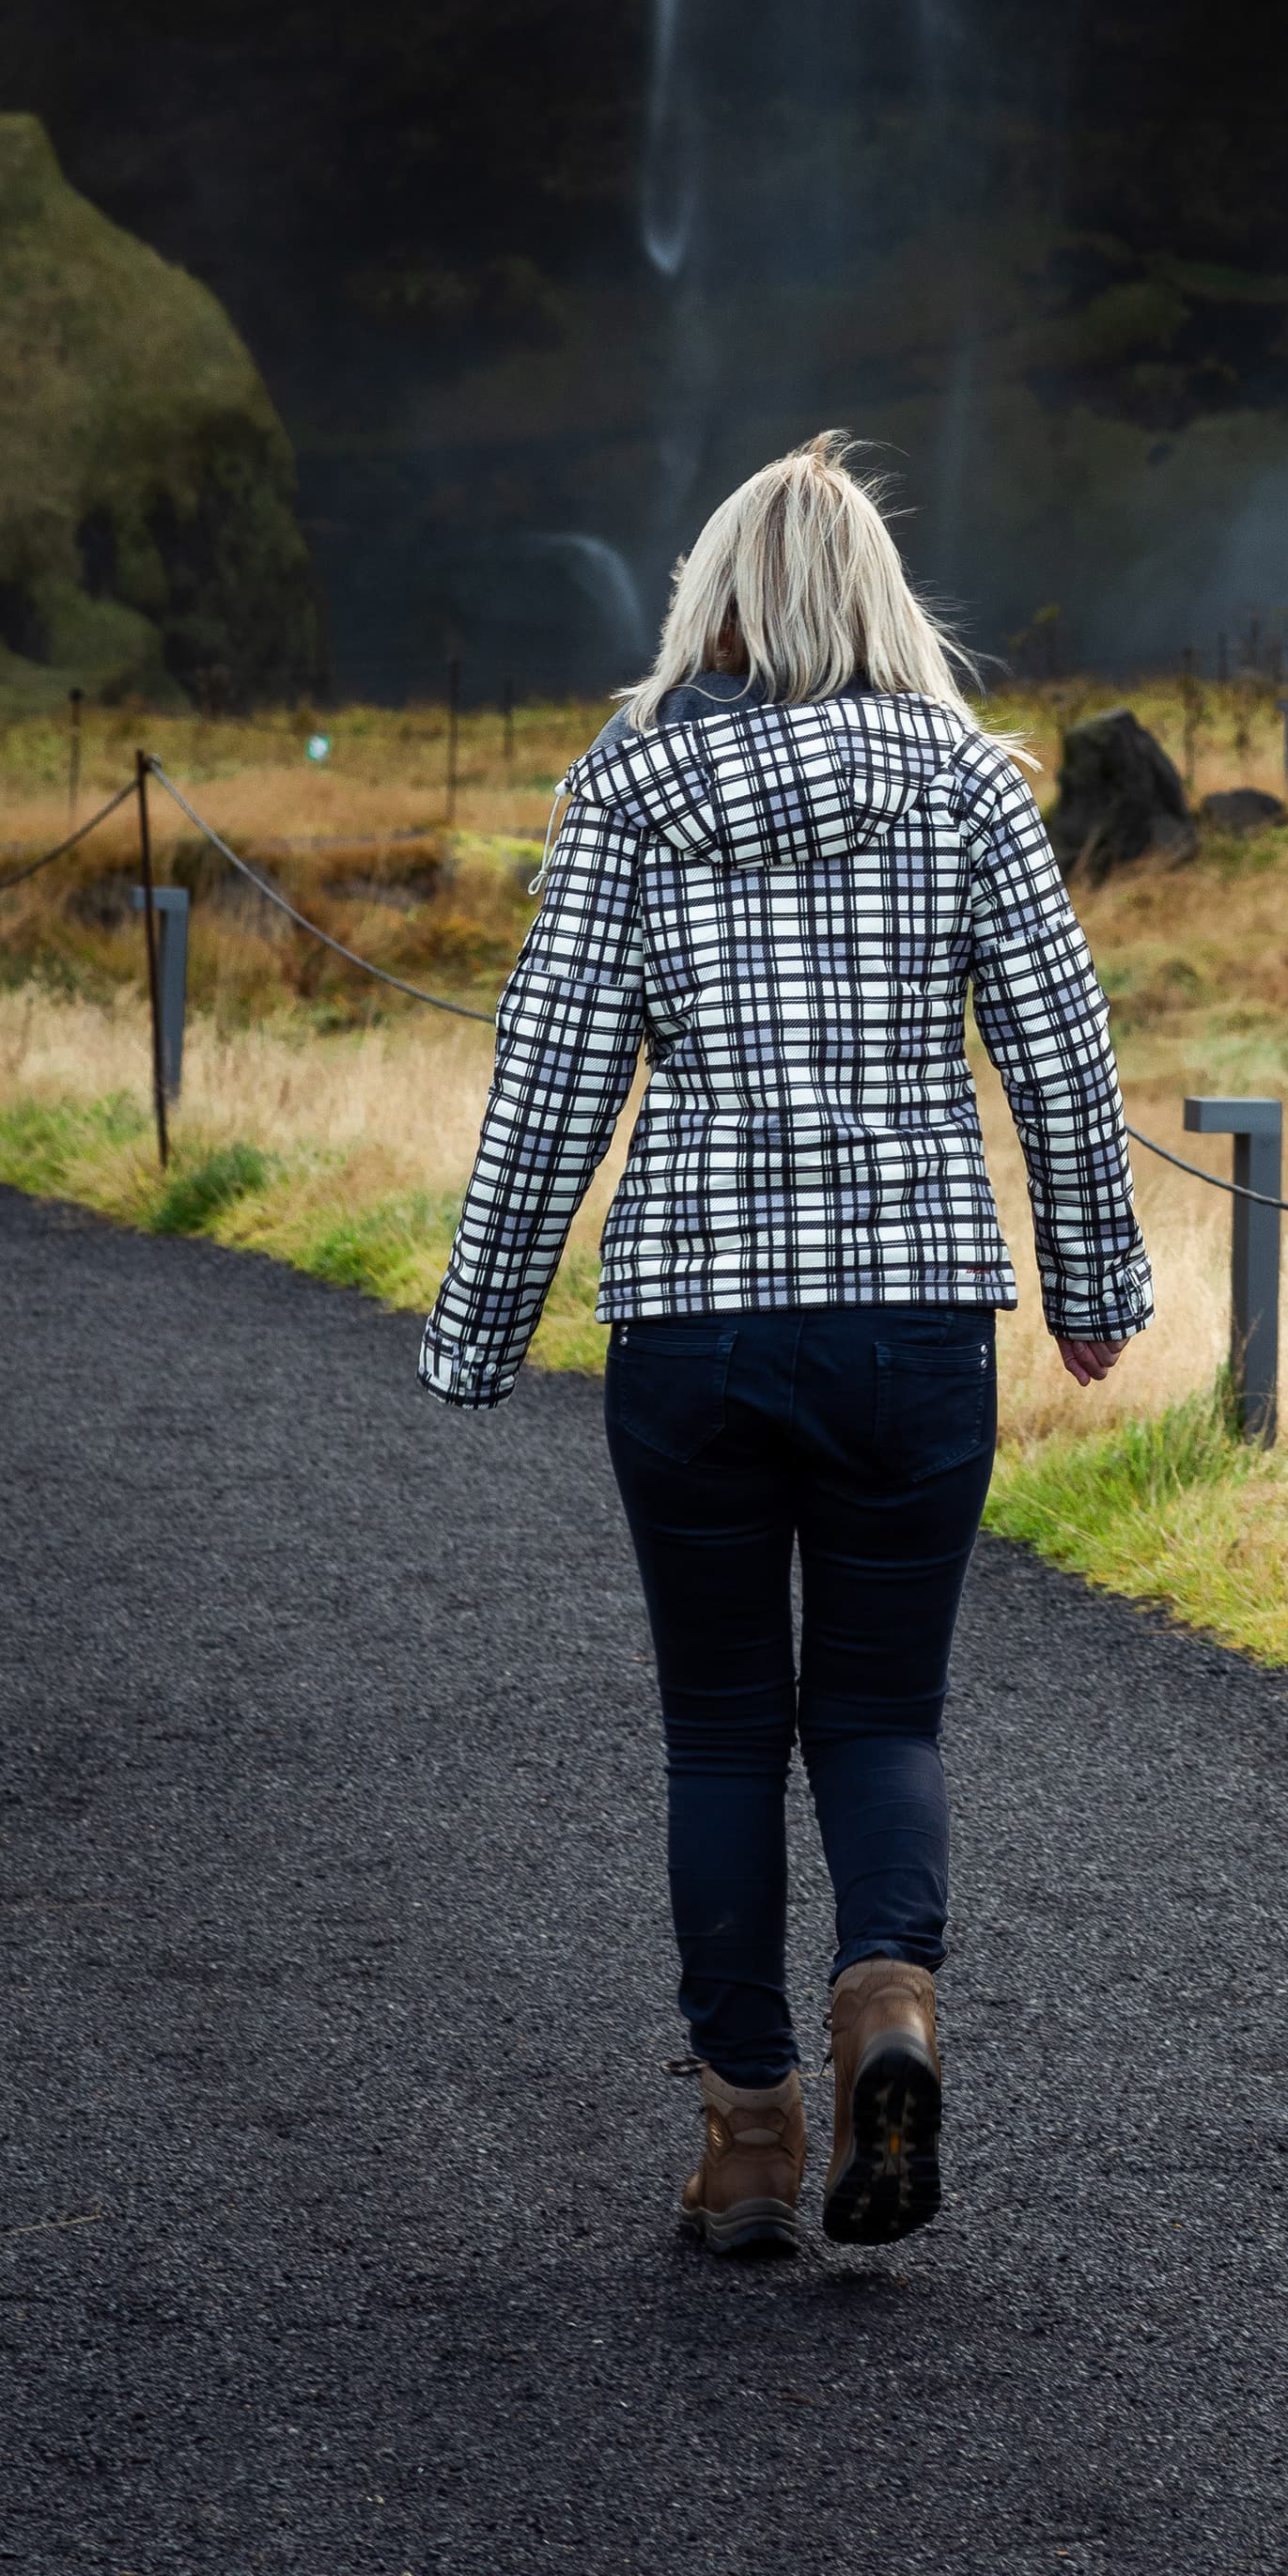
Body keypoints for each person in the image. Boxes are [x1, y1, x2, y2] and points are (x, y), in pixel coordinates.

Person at [419, 436, 1148, 2256]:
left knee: (724, 1730)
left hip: (696, 1332)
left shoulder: (631, 781)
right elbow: (1063, 1048)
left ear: (715, 601)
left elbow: (553, 1072)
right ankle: (889, 2008)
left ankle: (749, 2139)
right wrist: (1093, 1286)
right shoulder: (970, 785)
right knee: (886, 1711)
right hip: (911, 1325)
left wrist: (479, 1328)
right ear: (884, 599)